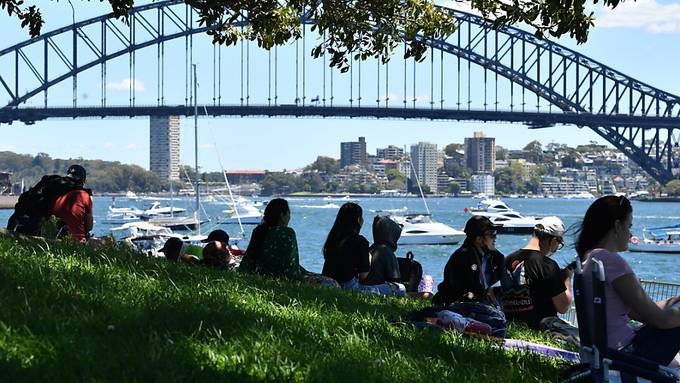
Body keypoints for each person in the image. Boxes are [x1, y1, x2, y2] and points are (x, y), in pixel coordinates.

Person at [578, 195, 680, 367]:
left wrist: (676, 300)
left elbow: (643, 311)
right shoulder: (611, 261)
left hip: (605, 352)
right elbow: (661, 320)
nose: (630, 233)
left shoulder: (591, 259)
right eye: (629, 226)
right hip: (625, 354)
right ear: (617, 226)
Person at [502, 216, 572, 329]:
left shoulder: (507, 260)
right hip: (540, 328)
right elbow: (563, 307)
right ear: (554, 240)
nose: (556, 249)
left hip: (511, 326)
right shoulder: (547, 265)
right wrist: (567, 277)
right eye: (558, 244)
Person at [7, 164, 93, 241]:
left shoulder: (49, 185)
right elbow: (89, 226)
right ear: (83, 181)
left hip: (22, 227)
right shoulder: (82, 195)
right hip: (42, 233)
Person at [433, 215, 504, 306]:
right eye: (492, 234)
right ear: (478, 239)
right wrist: (482, 298)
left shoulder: (495, 256)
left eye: (495, 233)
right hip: (456, 302)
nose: (495, 238)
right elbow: (461, 292)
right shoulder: (462, 257)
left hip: (477, 299)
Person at [239, 198, 303, 279]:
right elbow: (291, 267)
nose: (289, 217)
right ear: (282, 215)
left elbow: (248, 260)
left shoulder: (258, 230)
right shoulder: (287, 233)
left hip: (257, 275)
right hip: (278, 278)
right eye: (288, 214)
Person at [321, 202, 378, 293]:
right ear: (358, 220)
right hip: (348, 286)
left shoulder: (333, 239)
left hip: (327, 283)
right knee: (396, 288)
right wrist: (370, 258)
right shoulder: (360, 241)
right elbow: (363, 275)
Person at [362, 215, 407, 297]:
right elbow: (395, 279)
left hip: (367, 286)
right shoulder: (386, 252)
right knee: (401, 287)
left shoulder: (372, 248)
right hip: (377, 288)